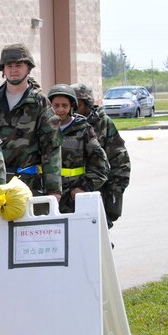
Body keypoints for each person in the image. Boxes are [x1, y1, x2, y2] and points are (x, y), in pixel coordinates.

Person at [0, 43, 62, 200]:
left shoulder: (39, 102)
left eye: (19, 65)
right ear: (3, 69)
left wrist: (54, 189)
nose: (13, 70)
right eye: (9, 65)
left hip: (28, 185)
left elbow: (51, 147)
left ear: (28, 68)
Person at [72, 83, 131, 227]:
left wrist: (114, 193)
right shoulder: (65, 124)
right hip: (71, 194)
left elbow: (120, 161)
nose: (73, 110)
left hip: (99, 191)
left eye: (77, 105)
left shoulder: (103, 124)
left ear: (87, 103)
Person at [47, 84, 109, 214]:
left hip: (73, 199)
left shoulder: (83, 130)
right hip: (47, 197)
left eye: (65, 105)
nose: (60, 109)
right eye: (56, 105)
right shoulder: (43, 130)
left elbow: (101, 166)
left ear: (72, 107)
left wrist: (84, 188)